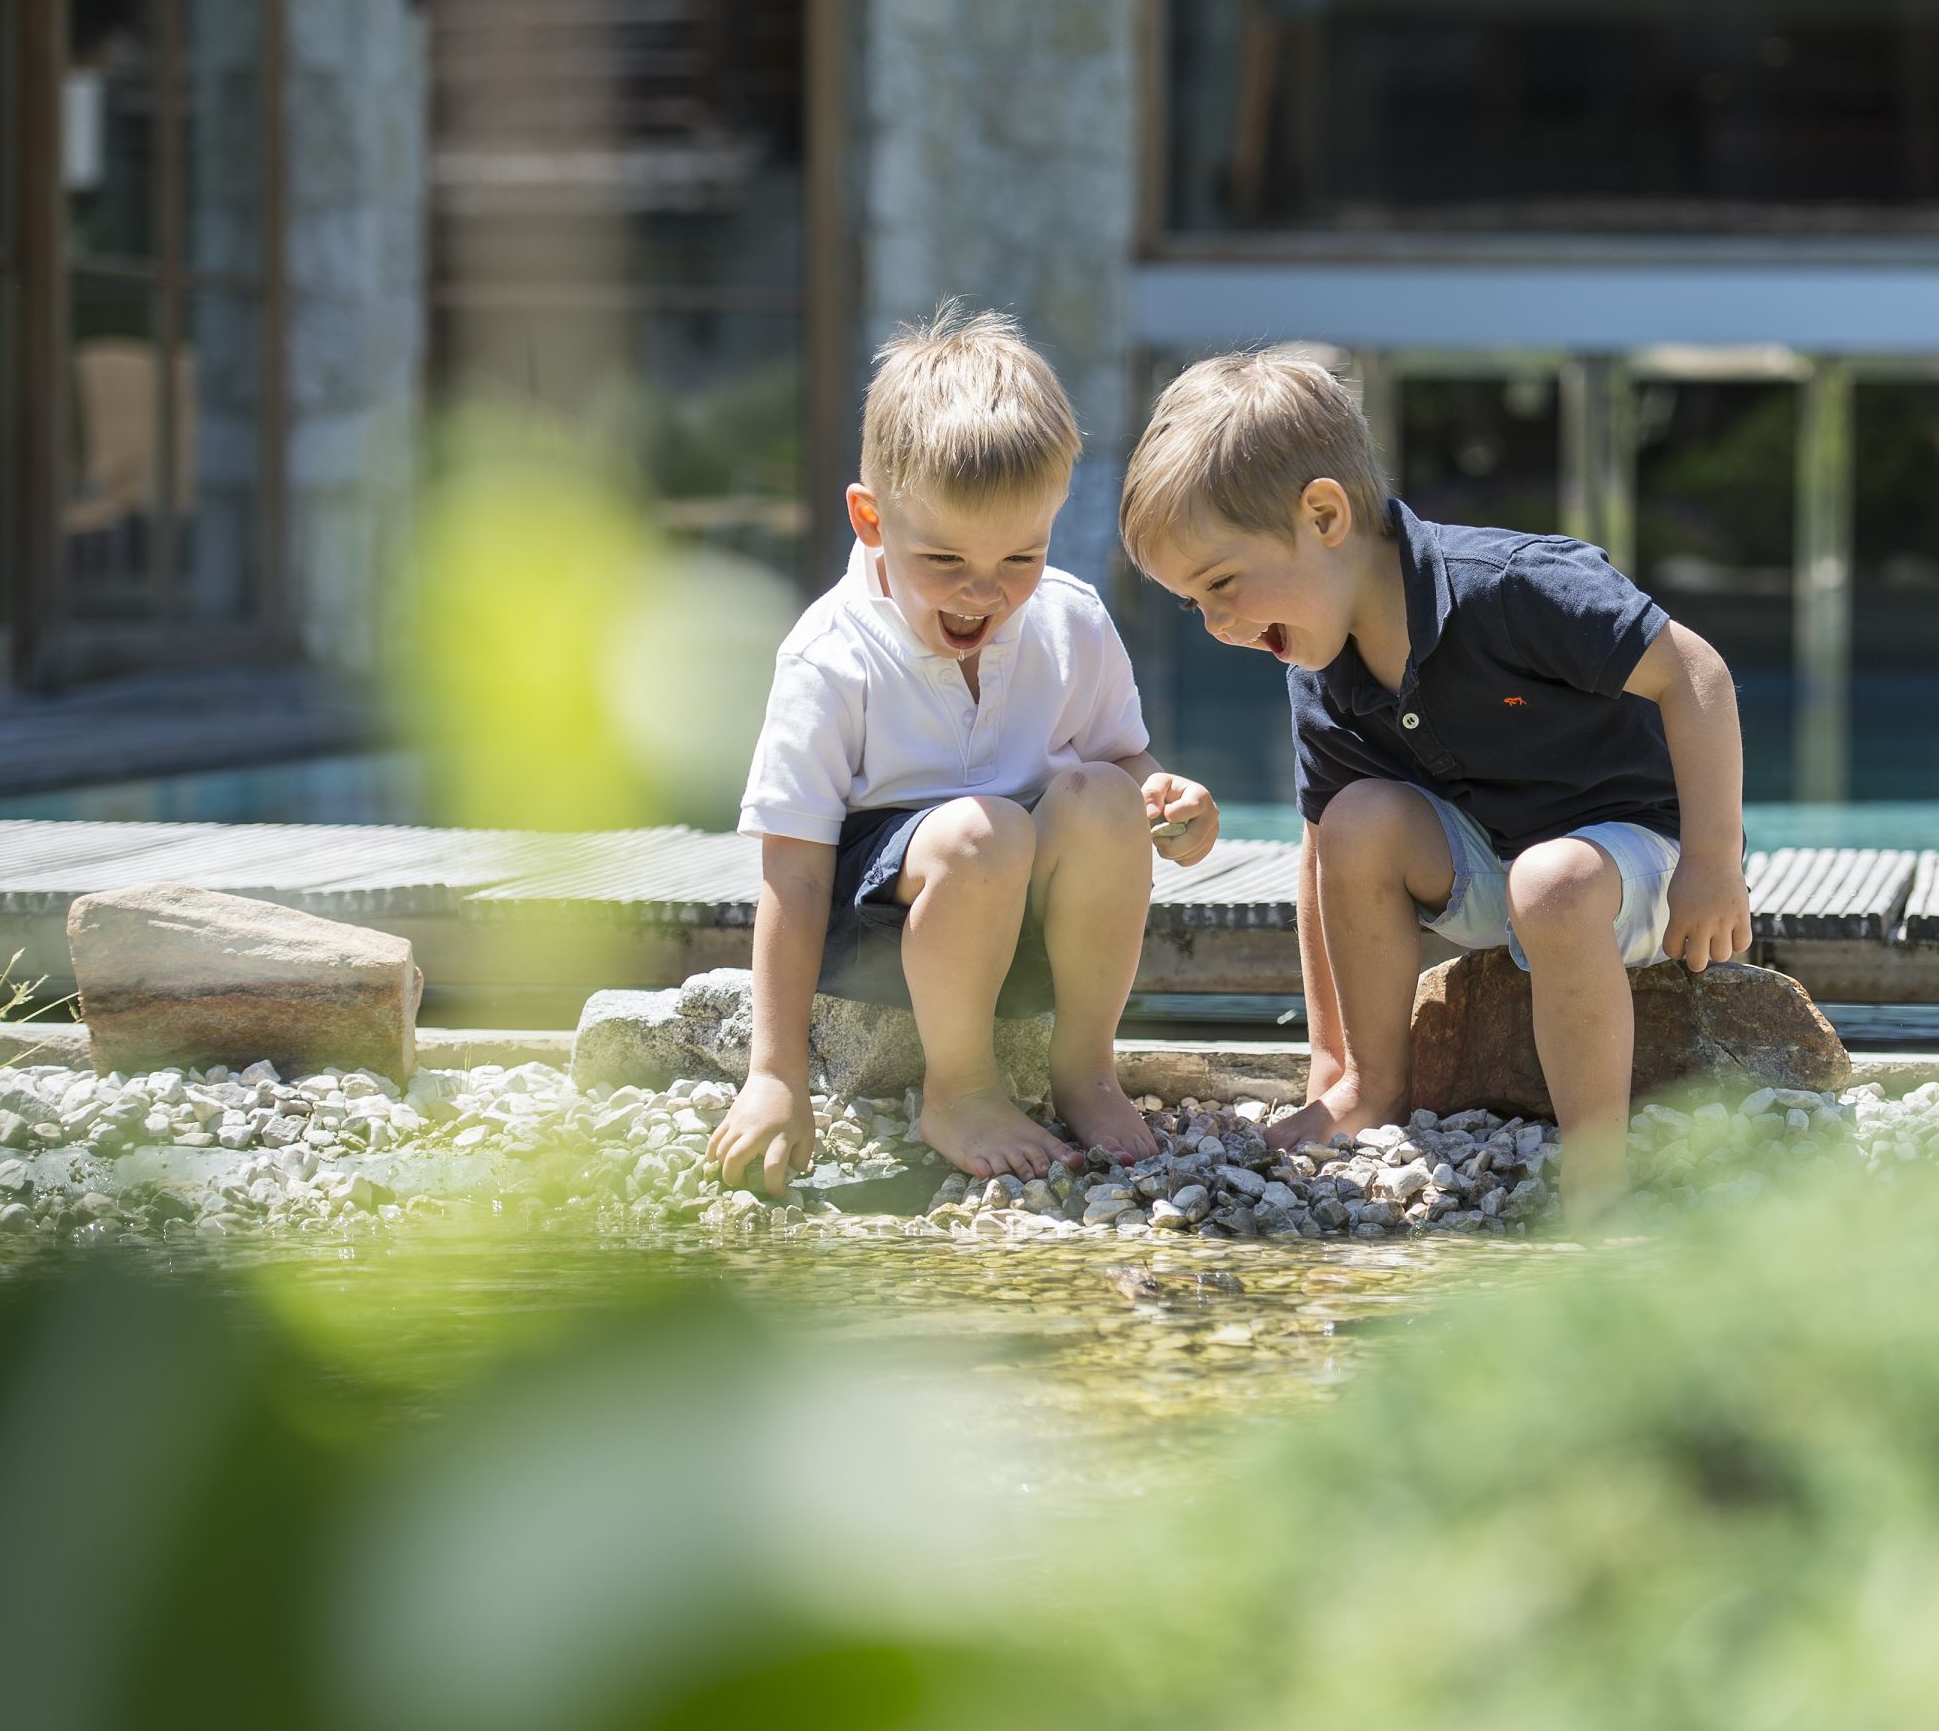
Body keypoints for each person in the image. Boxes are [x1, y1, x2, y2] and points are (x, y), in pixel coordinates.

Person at [1117, 350, 1748, 1214]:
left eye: (1223, 583)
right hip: (1499, 861)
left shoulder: (1513, 587)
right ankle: (1376, 1087)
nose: (1220, 624)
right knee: (1357, 819)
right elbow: (1323, 863)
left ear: (1324, 515)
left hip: (1634, 859)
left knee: (1552, 882)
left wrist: (1715, 861)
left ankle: (1597, 1174)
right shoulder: (1321, 665)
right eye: (1195, 604)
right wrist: (1329, 1069)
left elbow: (1697, 673)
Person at [709, 304, 1217, 1193]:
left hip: (1023, 916)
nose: (985, 592)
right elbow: (790, 873)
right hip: (881, 936)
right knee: (982, 832)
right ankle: (962, 1088)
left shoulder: (1069, 618)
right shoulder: (831, 654)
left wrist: (1167, 799)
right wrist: (775, 1073)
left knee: (1098, 797)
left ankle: (1085, 1067)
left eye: (1020, 558)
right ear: (870, 522)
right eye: (945, 559)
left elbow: (1126, 765)